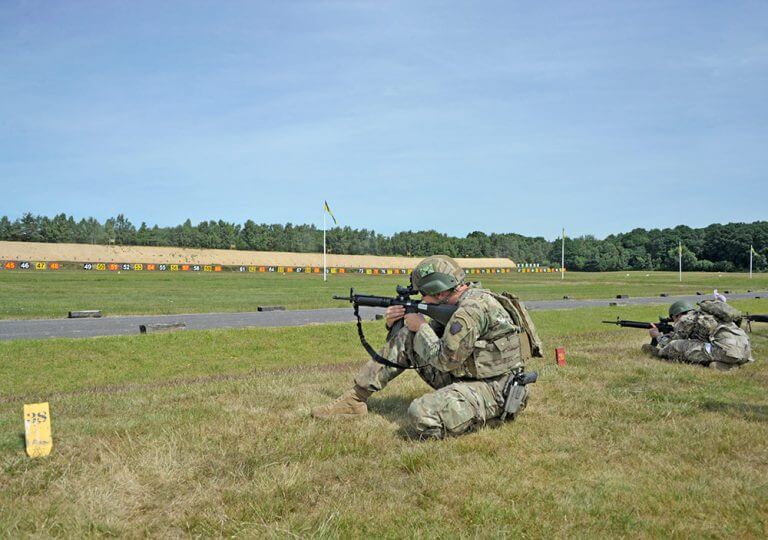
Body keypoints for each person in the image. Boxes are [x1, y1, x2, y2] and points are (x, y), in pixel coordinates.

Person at [312, 255, 539, 439]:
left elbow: (444, 359)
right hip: (469, 375)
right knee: (407, 336)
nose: (422, 299)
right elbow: (429, 342)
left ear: (440, 291)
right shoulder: (459, 301)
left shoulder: (471, 311)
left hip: (496, 388)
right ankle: (355, 399)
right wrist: (396, 324)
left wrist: (420, 327)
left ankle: (484, 414)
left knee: (421, 414)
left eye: (424, 294)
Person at [642, 300, 753, 371]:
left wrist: (657, 335)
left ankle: (658, 355)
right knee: (696, 347)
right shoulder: (706, 316)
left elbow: (669, 343)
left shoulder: (686, 318)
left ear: (678, 314)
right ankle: (727, 366)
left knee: (675, 346)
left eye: (673, 318)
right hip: (745, 352)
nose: (675, 322)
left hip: (726, 350)